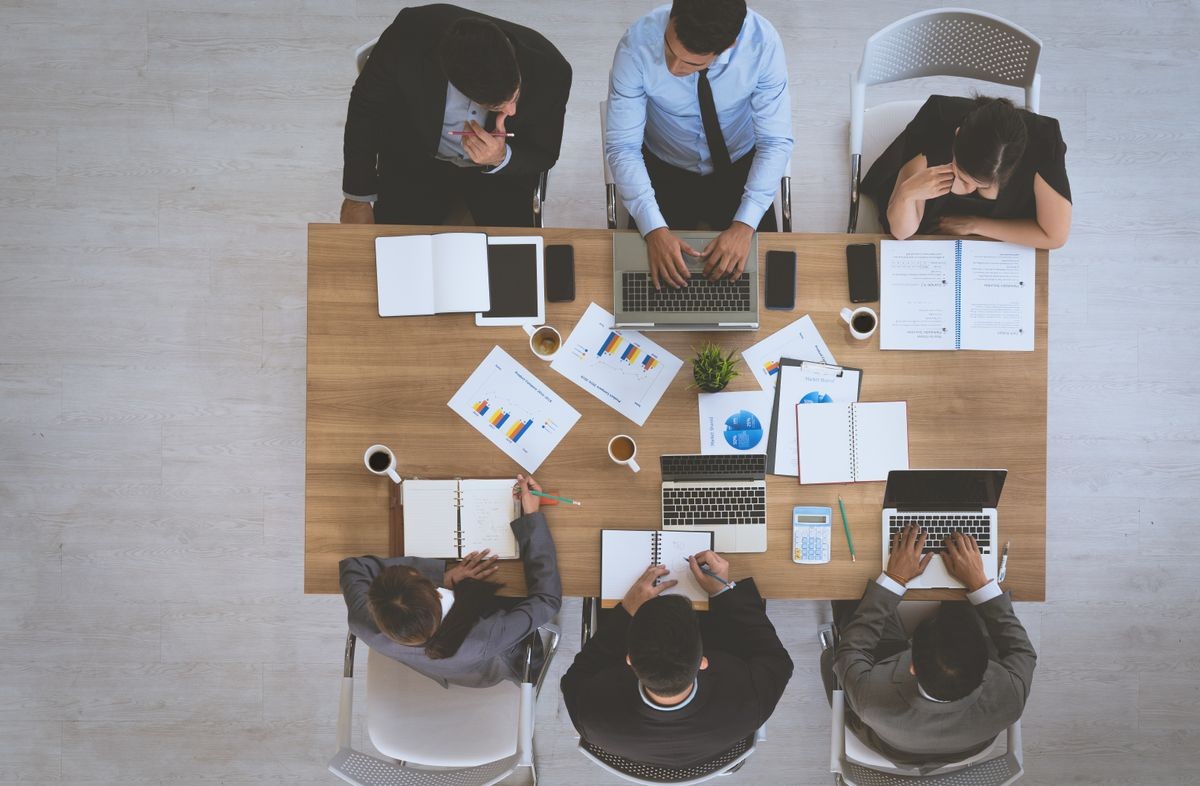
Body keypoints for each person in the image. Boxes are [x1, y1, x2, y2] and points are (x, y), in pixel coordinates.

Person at [605, 0, 793, 289]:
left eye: (692, 63)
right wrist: (654, 229)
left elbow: (774, 142)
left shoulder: (762, 45)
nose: (672, 66)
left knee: (760, 285)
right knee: (649, 285)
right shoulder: (636, 45)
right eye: (669, 49)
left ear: (729, 45)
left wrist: (744, 226)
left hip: (739, 163)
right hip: (665, 165)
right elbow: (623, 147)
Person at [824, 525, 1037, 767]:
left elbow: (850, 651)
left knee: (853, 592)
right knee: (970, 602)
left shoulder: (870, 699)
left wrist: (895, 580)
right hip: (964, 746)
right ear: (986, 665)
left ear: (911, 667)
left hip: (892, 744)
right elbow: (1021, 650)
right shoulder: (1010, 697)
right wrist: (980, 584)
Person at [341, 4, 572, 227]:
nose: (511, 111)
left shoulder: (552, 71)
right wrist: (357, 198)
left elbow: (544, 154)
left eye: (515, 96)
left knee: (512, 262)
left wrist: (500, 157)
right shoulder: (409, 32)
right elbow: (366, 106)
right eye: (496, 105)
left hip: (501, 182)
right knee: (388, 256)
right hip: (416, 160)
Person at [561, 550, 793, 767]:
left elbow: (579, 673)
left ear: (629, 660)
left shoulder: (591, 717)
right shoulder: (751, 702)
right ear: (703, 661)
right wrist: (722, 589)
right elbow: (775, 658)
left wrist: (627, 609)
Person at [339, 474, 560, 687]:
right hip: (498, 664)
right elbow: (547, 600)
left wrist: (442, 576)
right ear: (435, 592)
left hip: (449, 669)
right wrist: (532, 517)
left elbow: (353, 567)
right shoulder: (484, 637)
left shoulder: (363, 622)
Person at [861, 94, 1072, 249]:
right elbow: (901, 233)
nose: (968, 188)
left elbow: (1055, 236)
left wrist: (975, 224)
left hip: (1001, 235)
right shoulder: (937, 125)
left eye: (980, 185)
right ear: (957, 135)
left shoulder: (1044, 144)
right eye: (962, 176)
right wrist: (906, 194)